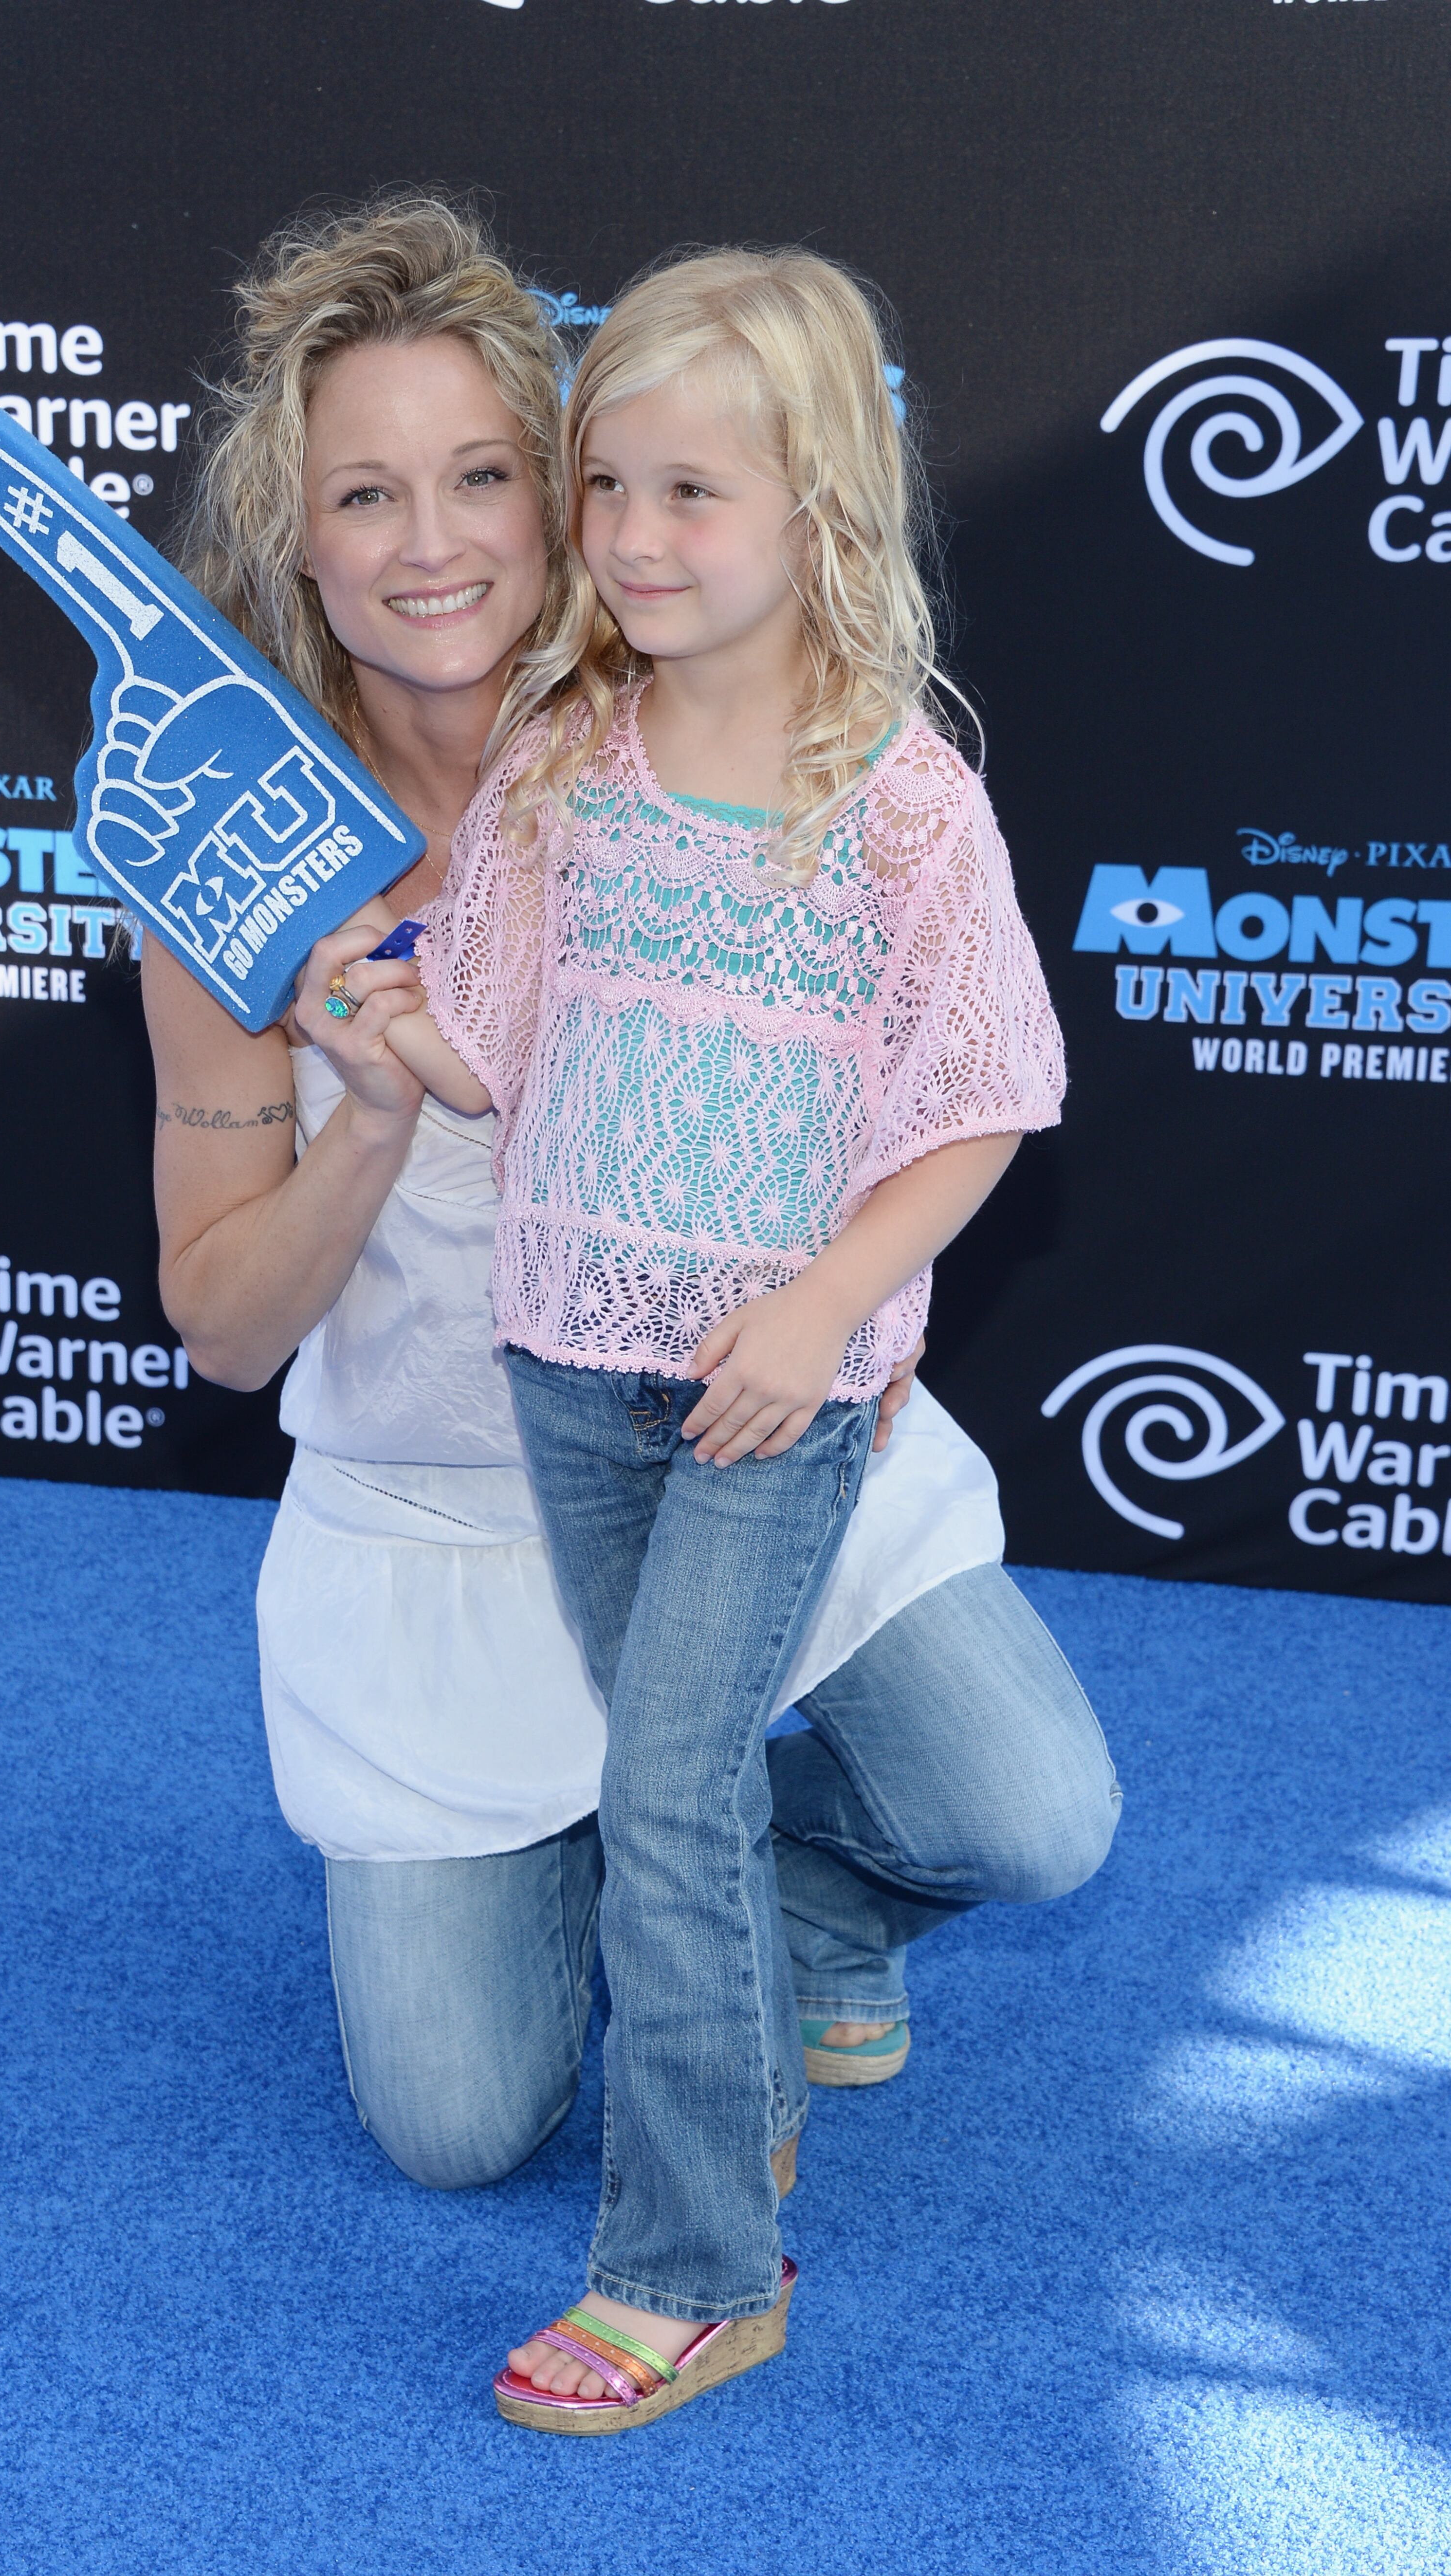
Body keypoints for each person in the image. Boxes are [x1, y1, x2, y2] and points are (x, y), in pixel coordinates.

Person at [142, 200, 1119, 2261]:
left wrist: (856, 1296)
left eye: (488, 476)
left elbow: (924, 1063)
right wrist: (374, 1107)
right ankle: (652, 1870)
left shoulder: (690, 716)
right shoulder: (234, 859)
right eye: (367, 494)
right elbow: (228, 1332)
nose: (436, 543)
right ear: (294, 537)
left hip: (750, 1437)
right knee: (457, 2123)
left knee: (1029, 1813)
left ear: (567, 483)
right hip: (443, 1513)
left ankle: (781, 1903)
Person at [368, 245, 1085, 2431]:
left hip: (779, 1386)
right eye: (607, 489)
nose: (636, 541)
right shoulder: (569, 751)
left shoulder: (900, 803)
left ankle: (694, 2268)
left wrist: (820, 1309)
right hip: (566, 1355)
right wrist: (391, 1023)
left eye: (697, 494)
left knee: (672, 1791)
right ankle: (756, 2042)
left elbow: (982, 1106)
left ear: (821, 518)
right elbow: (498, 1043)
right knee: (658, 1770)